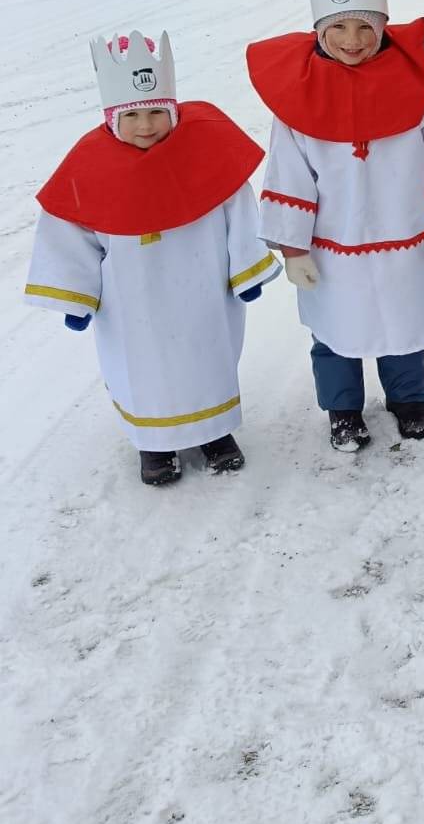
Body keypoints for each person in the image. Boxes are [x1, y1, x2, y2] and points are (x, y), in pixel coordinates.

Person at [248, 0, 424, 452]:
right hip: (333, 244)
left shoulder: (417, 87)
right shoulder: (298, 99)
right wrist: (293, 248)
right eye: (338, 27)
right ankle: (342, 408)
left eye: (365, 26)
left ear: (383, 25)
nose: (353, 40)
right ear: (319, 30)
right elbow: (290, 174)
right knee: (336, 329)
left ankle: (408, 398)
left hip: (405, 236)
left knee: (403, 323)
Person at [24, 32, 278, 486]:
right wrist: (75, 295)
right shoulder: (89, 168)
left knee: (206, 359)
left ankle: (215, 433)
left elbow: (237, 208)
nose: (146, 126)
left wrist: (247, 267)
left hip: (201, 289)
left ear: (173, 112)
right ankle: (154, 445)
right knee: (142, 370)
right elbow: (71, 234)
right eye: (132, 116)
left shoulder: (206, 155)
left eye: (157, 112)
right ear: (112, 119)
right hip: (131, 303)